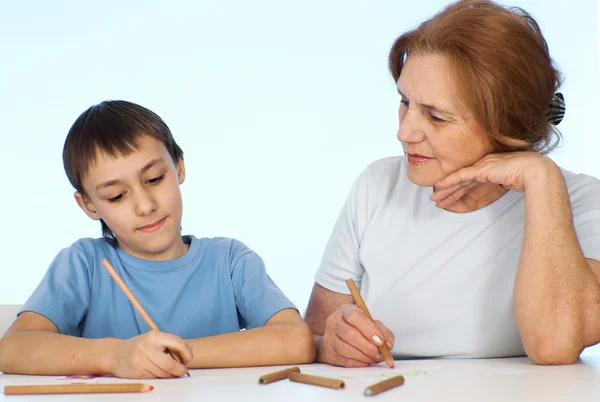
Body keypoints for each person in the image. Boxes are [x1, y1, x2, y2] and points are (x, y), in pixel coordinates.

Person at [304, 0, 600, 367]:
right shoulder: (376, 186)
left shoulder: (578, 201)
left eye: (436, 116)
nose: (404, 132)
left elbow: (555, 345)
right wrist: (329, 343)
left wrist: (541, 177)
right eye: (405, 102)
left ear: (507, 124)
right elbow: (315, 332)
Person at [0, 100, 315, 378]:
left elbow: (297, 340)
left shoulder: (230, 261)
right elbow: (12, 348)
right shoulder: (84, 264)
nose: (145, 206)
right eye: (117, 195)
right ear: (89, 205)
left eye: (154, 179)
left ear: (178, 166)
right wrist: (118, 356)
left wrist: (173, 353)